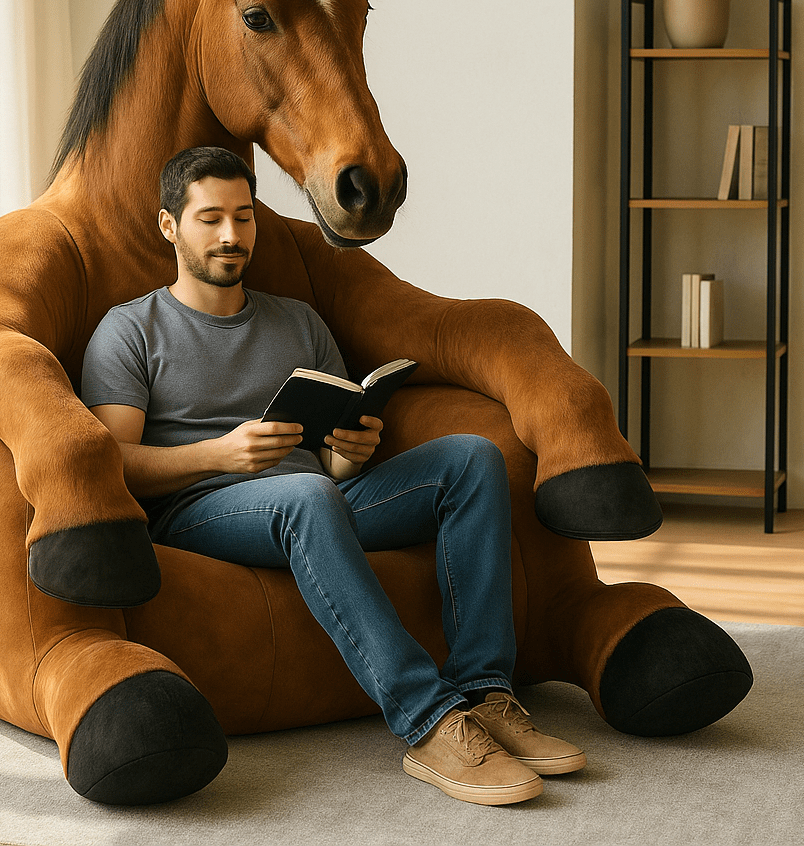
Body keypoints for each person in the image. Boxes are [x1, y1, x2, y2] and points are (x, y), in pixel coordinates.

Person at [80, 146, 585, 806]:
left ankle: (486, 694)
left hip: (314, 493)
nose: (231, 235)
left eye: (243, 216)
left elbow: (330, 465)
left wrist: (354, 444)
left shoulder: (297, 320)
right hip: (201, 505)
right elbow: (111, 461)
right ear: (170, 226)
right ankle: (429, 721)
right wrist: (220, 454)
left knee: (472, 459)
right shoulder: (130, 330)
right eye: (210, 219)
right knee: (307, 496)